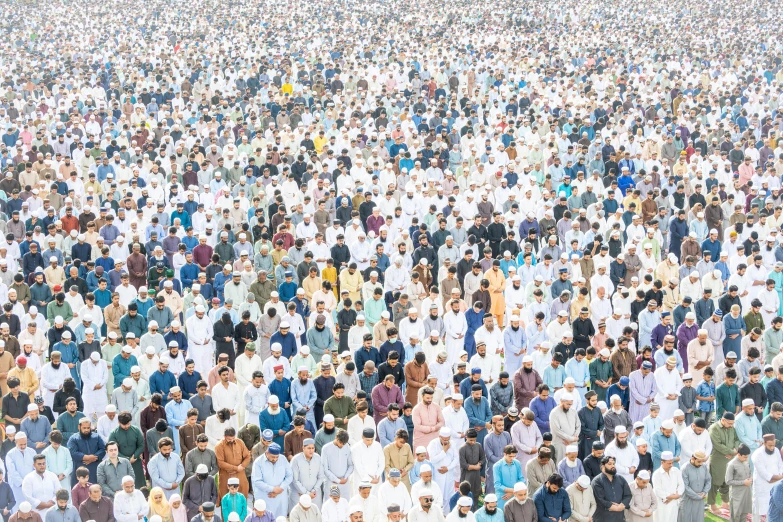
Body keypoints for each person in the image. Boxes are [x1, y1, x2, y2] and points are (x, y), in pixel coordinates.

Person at [251, 443, 293, 517]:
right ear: (267, 453)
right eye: (273, 457)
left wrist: (280, 488)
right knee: (265, 517)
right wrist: (273, 489)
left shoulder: (283, 459)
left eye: (277, 457)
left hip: (281, 496)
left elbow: (289, 476)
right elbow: (257, 481)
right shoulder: (258, 462)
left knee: (280, 517)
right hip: (265, 496)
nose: (275, 459)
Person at [651, 451, 684, 522]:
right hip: (662, 504)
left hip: (673, 503)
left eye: (672, 463)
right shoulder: (657, 474)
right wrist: (673, 496)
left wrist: (674, 497)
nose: (671, 465)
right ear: (662, 462)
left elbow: (681, 485)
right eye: (669, 463)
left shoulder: (676, 471)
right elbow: (658, 491)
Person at [725, 443, 752, 522]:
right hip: (736, 495)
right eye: (745, 457)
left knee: (744, 515)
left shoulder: (746, 462)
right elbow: (728, 481)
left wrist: (750, 479)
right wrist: (743, 482)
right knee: (735, 516)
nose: (746, 459)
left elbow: (749, 474)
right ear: (739, 454)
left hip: (746, 493)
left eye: (747, 457)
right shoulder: (731, 464)